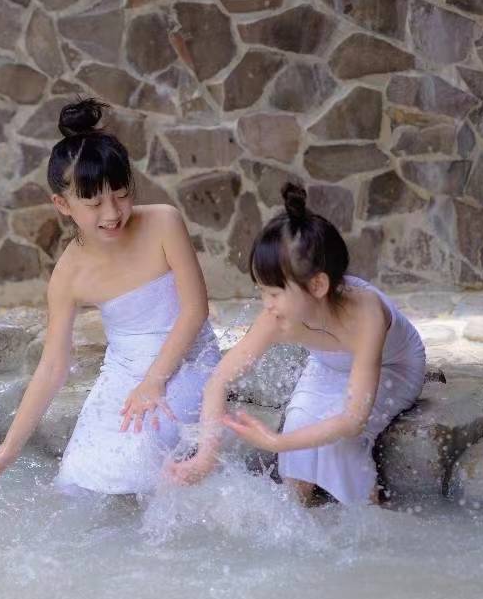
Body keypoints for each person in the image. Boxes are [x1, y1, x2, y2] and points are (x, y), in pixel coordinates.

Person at [0, 99, 219, 495]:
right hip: (123, 372)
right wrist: (7, 450)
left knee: (139, 456)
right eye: (94, 203)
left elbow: (195, 311)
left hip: (185, 360)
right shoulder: (69, 274)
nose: (112, 212)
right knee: (78, 475)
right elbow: (53, 366)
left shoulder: (163, 223)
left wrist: (153, 382)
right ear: (62, 204)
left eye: (120, 194)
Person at [168, 183, 426, 505]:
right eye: (262, 291)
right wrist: (205, 458)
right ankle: (298, 510)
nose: (267, 304)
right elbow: (219, 380)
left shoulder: (366, 314)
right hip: (329, 364)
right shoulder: (276, 317)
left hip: (393, 366)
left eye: (274, 293)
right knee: (299, 423)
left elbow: (352, 420)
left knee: (341, 444)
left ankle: (366, 516)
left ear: (317, 285)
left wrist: (276, 442)